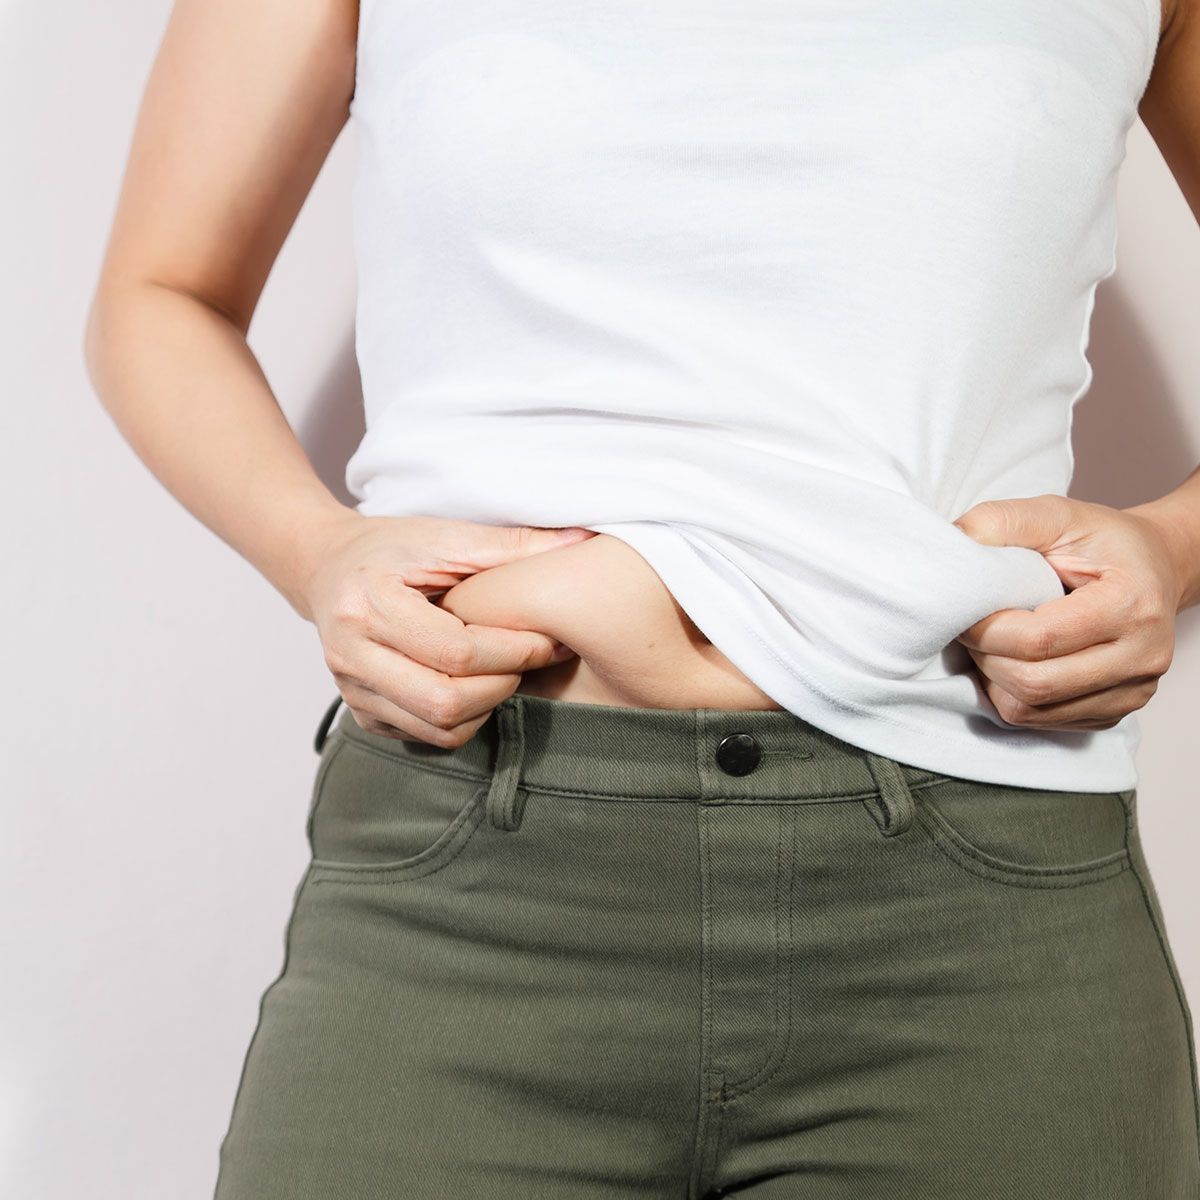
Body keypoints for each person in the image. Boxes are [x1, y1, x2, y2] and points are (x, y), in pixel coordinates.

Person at [84, 0, 1200, 1195]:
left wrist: (1172, 550)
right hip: (473, 873)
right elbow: (162, 290)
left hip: (977, 902)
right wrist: (316, 550)